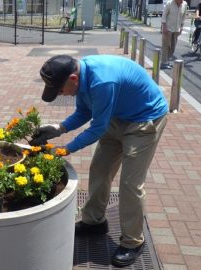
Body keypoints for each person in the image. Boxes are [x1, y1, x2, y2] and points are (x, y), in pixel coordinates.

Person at [31, 54, 168, 267]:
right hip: (117, 116)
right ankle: (94, 222)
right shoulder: (82, 77)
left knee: (130, 184)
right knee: (100, 170)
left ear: (73, 79)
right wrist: (59, 128)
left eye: (59, 90)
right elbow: (84, 112)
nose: (59, 94)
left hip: (144, 120)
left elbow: (97, 128)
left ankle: (133, 241)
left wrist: (65, 149)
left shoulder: (102, 81)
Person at [160, 0, 188, 69]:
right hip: (168, 28)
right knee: (166, 46)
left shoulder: (184, 4)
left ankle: (166, 60)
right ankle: (164, 63)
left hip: (176, 29)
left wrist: (181, 27)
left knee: (173, 47)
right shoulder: (169, 3)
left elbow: (183, 17)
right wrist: (164, 27)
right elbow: (164, 16)